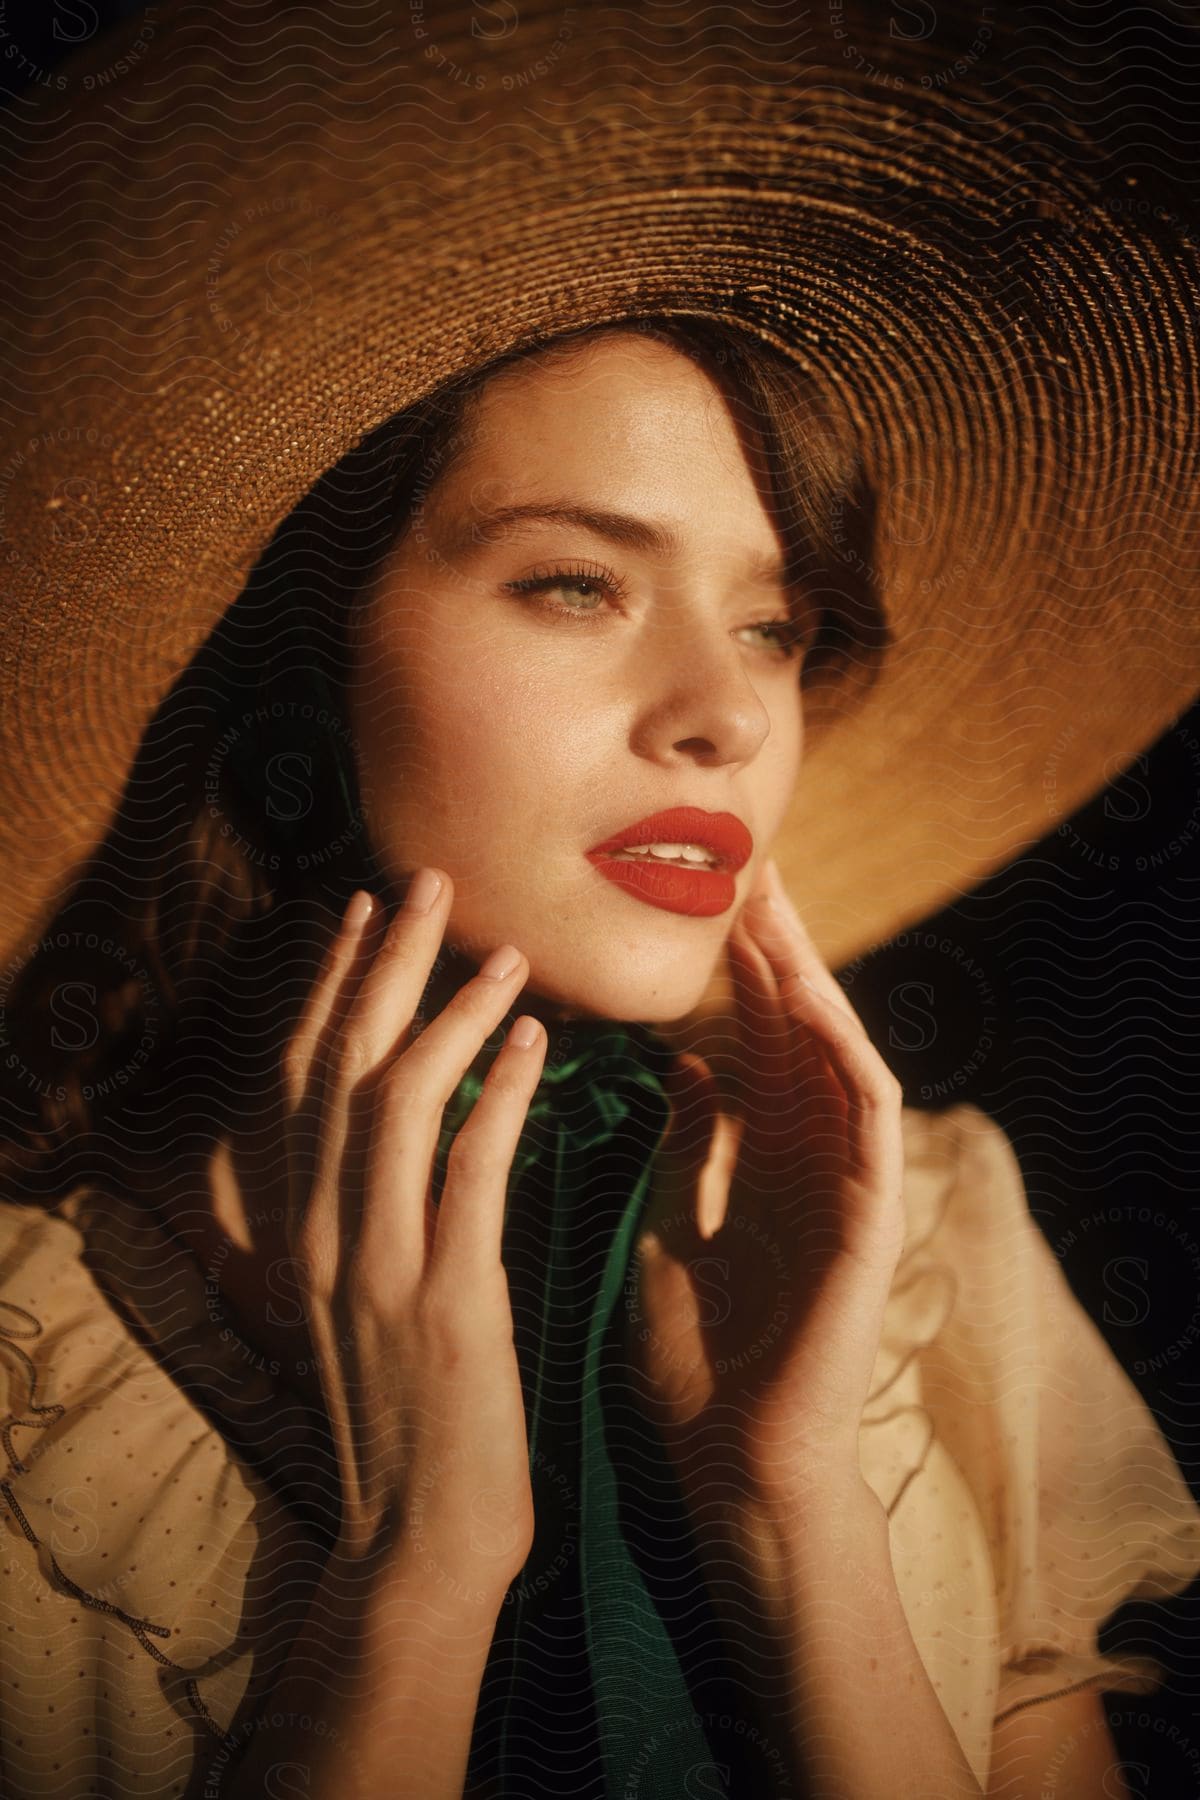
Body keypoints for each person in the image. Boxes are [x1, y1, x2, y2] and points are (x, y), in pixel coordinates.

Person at [1, 6, 1199, 1800]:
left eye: (774, 625)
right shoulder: (28, 1377)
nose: (723, 715)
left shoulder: (920, 1242)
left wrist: (799, 1511)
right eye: (575, 584)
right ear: (301, 670)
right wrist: (416, 1574)